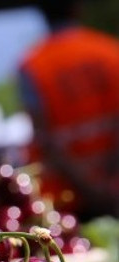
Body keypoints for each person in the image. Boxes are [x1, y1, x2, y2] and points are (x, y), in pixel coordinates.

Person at [19, 0, 119, 218]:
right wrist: (107, 183)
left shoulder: (33, 65)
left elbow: (45, 140)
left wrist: (88, 188)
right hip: (112, 192)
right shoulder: (110, 51)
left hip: (62, 202)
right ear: (78, 8)